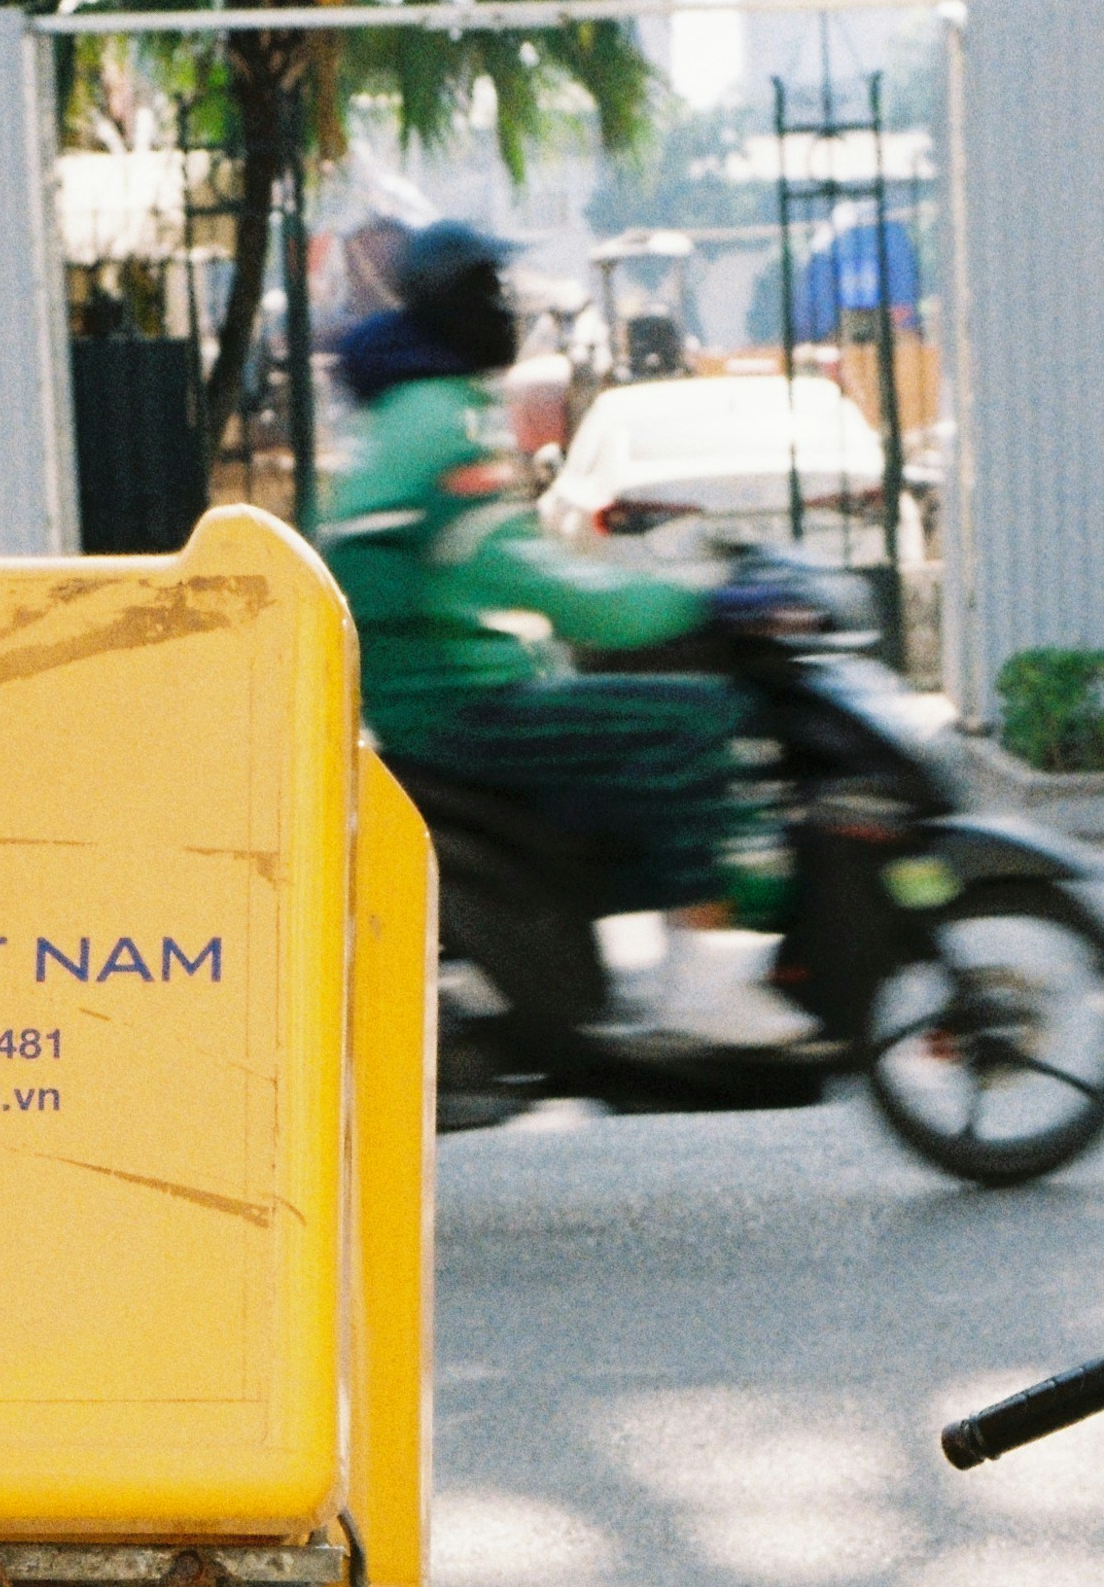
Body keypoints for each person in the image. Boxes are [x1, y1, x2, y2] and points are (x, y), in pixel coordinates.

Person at [316, 220, 799, 1040]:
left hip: (458, 690)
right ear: (456, 307)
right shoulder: (439, 425)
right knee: (694, 720)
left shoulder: (424, 409)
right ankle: (702, 991)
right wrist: (696, 605)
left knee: (628, 774)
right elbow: (540, 580)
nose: (506, 311)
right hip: (462, 708)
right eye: (491, 294)